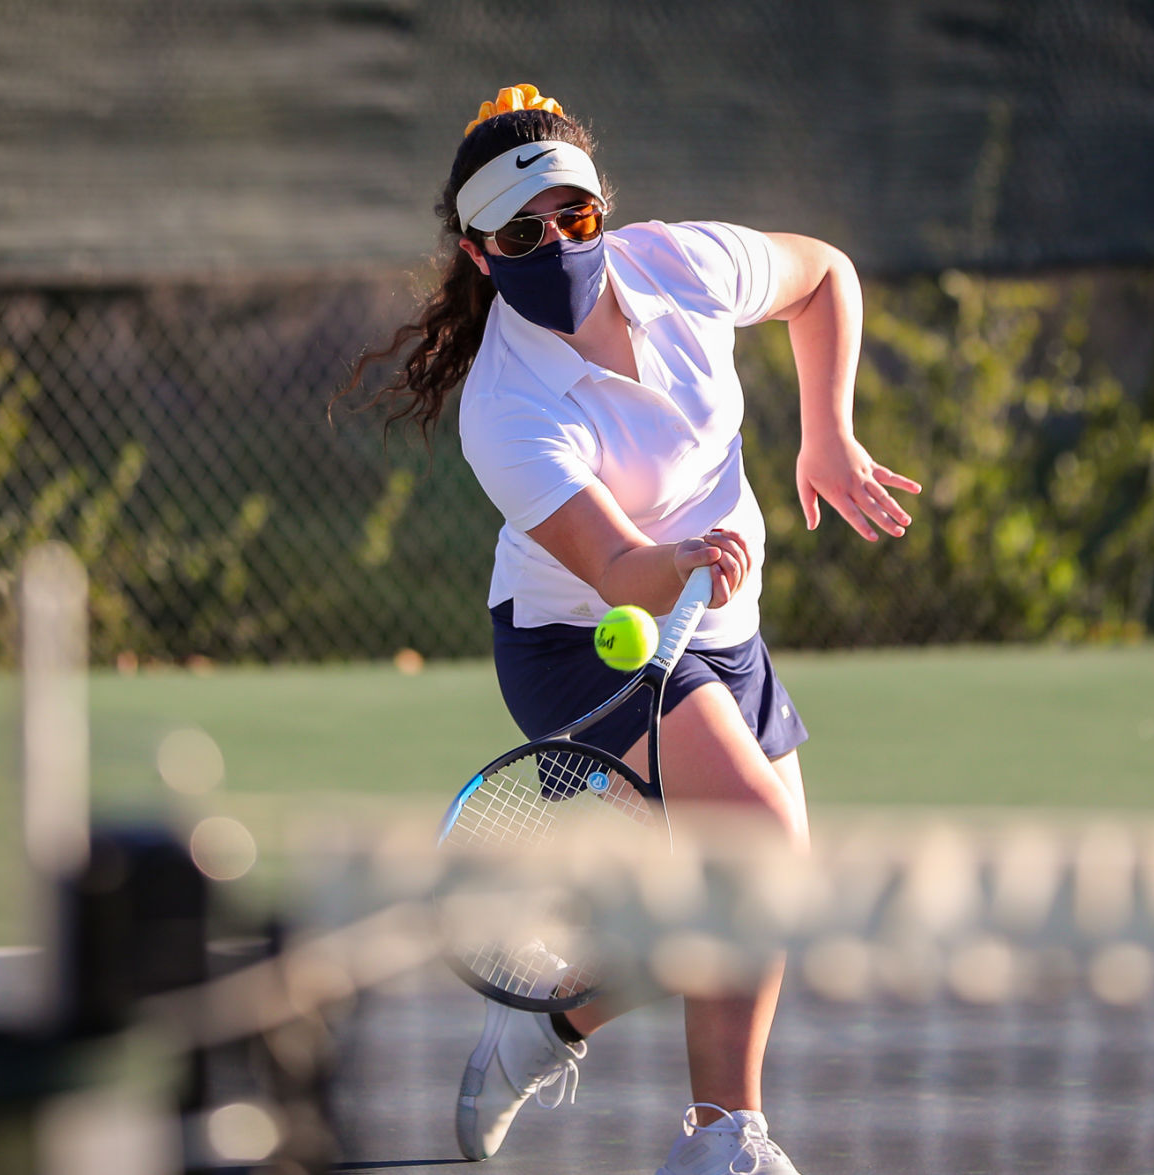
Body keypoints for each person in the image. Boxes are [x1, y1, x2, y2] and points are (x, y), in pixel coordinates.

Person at [342, 84, 919, 1175]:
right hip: (579, 643)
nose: (556, 242)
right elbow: (614, 566)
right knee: (757, 839)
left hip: (722, 626)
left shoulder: (679, 265)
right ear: (478, 253)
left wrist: (827, 435)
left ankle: (553, 1021)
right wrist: (676, 562)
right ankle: (724, 1142)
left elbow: (823, 278)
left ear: (603, 212)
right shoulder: (503, 408)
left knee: (750, 890)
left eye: (574, 217)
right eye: (522, 232)